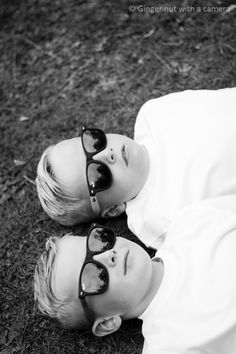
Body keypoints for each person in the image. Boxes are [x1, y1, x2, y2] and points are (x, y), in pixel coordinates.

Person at [36, 88, 236, 248]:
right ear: (113, 209)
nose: (107, 154)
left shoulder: (153, 114)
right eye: (97, 173)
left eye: (92, 142)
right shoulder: (154, 219)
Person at [34, 195, 236, 353]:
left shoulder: (190, 222)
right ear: (107, 322)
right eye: (93, 275)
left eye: (97, 242)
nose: (108, 255)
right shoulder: (169, 345)